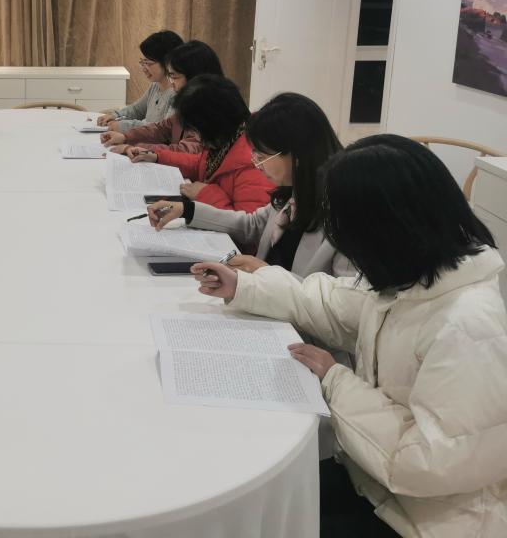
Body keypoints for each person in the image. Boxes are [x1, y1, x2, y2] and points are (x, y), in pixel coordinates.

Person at [191, 135, 507, 538]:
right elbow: (329, 302)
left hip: (423, 520)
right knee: (251, 502)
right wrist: (244, 287)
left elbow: (429, 463)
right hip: (372, 481)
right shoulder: (413, 281)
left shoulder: (468, 325)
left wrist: (336, 381)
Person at [148, 92, 354, 277]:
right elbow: (252, 224)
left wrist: (265, 273)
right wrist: (186, 210)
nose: (256, 164)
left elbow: (340, 300)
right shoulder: (293, 191)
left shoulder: (344, 216)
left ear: (297, 156)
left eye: (262, 157)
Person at [129, 75, 271, 212]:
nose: (198, 136)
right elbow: (201, 164)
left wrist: (205, 194)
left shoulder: (255, 162)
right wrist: (157, 156)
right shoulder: (227, 139)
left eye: (197, 129)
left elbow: (247, 223)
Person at [101, 39, 221, 153]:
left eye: (174, 77)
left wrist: (134, 148)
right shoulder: (190, 103)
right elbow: (162, 129)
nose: (171, 83)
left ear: (194, 78)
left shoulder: (209, 110)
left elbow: (185, 151)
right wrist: (126, 137)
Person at [95, 30, 184, 131]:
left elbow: (162, 130)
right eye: (142, 62)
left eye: (148, 63)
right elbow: (137, 110)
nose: (144, 68)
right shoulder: (156, 85)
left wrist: (122, 125)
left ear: (167, 62)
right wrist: (115, 116)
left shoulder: (177, 93)